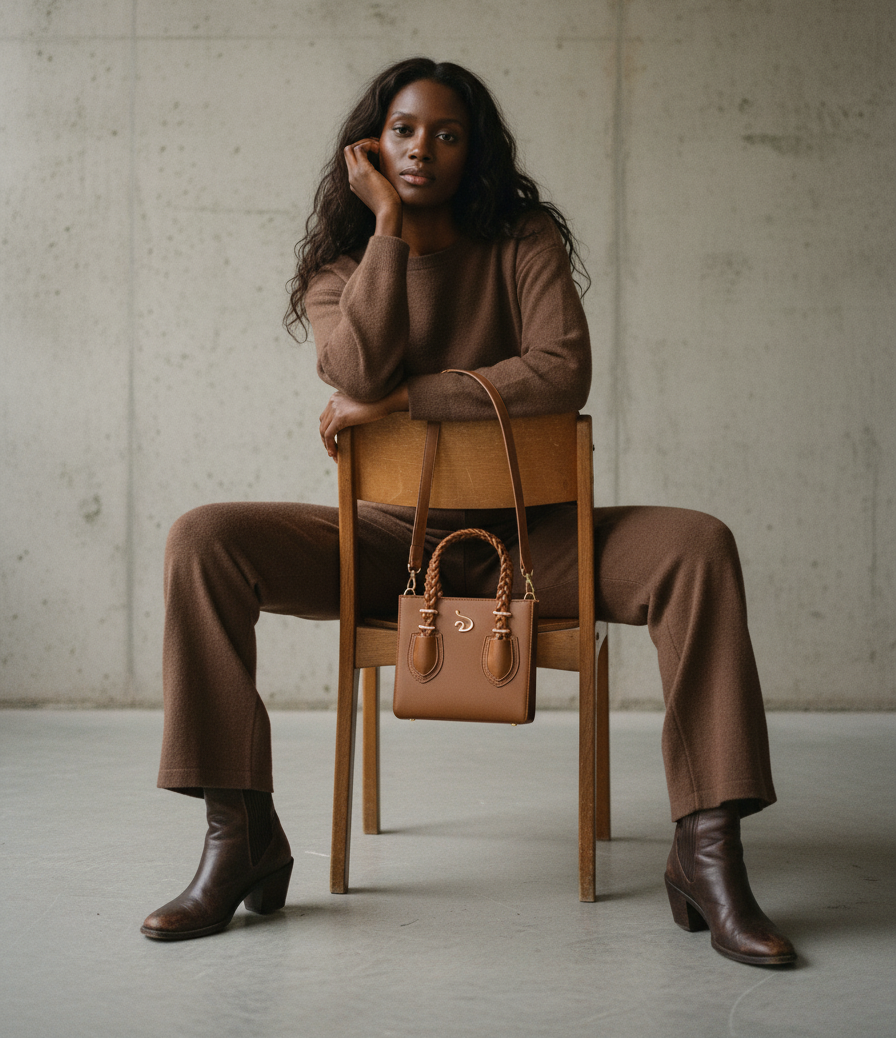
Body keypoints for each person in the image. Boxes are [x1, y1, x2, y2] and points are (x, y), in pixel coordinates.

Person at [141, 58, 795, 966]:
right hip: (388, 542)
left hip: (541, 539)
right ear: (372, 142)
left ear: (474, 149)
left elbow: (562, 368)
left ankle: (709, 853)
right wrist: (387, 227)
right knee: (200, 540)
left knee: (699, 547)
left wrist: (405, 405)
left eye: (448, 134)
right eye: (404, 130)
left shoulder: (523, 241)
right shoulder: (338, 272)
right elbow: (358, 369)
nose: (423, 150)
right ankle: (237, 835)